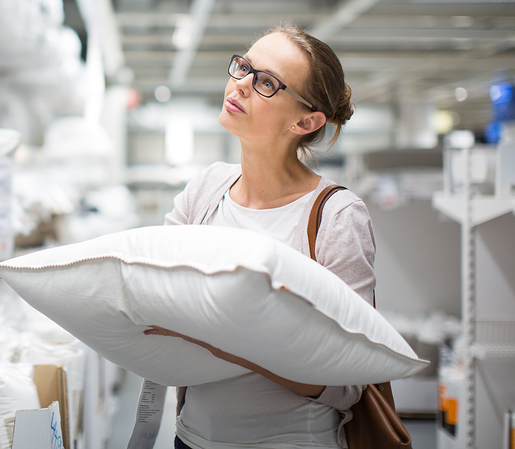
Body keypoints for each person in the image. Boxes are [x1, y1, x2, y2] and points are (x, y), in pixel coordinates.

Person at [146, 23, 376, 449]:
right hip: (190, 439)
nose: (241, 85)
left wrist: (234, 347)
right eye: (243, 67)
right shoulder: (205, 191)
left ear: (306, 120)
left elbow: (350, 380)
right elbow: (152, 297)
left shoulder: (336, 216)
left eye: (266, 82)